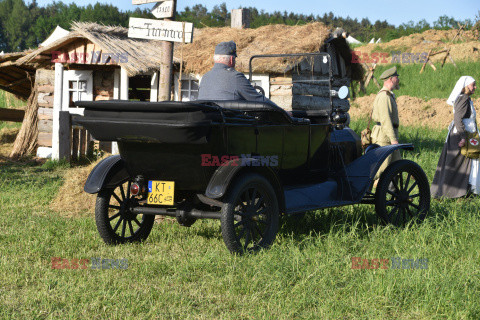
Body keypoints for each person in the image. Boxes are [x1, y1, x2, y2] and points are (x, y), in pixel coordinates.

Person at [431, 76, 478, 198]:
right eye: (473, 85)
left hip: (466, 134)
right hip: (461, 136)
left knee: (465, 164)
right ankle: (449, 192)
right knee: (455, 165)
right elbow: (458, 119)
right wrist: (463, 137)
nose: (475, 87)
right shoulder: (463, 99)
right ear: (465, 86)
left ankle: (463, 191)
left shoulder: (466, 99)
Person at [198, 41, 272, 102]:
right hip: (229, 119)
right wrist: (281, 111)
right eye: (234, 59)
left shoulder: (204, 77)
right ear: (231, 60)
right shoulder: (236, 77)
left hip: (208, 118)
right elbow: (259, 100)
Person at [371, 66, 401, 180]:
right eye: (396, 78)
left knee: (397, 169)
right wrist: (393, 139)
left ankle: (397, 197)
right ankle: (363, 193)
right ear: (391, 79)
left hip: (388, 136)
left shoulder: (389, 95)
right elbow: (385, 120)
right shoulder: (384, 96)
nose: (398, 80)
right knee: (379, 171)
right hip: (384, 137)